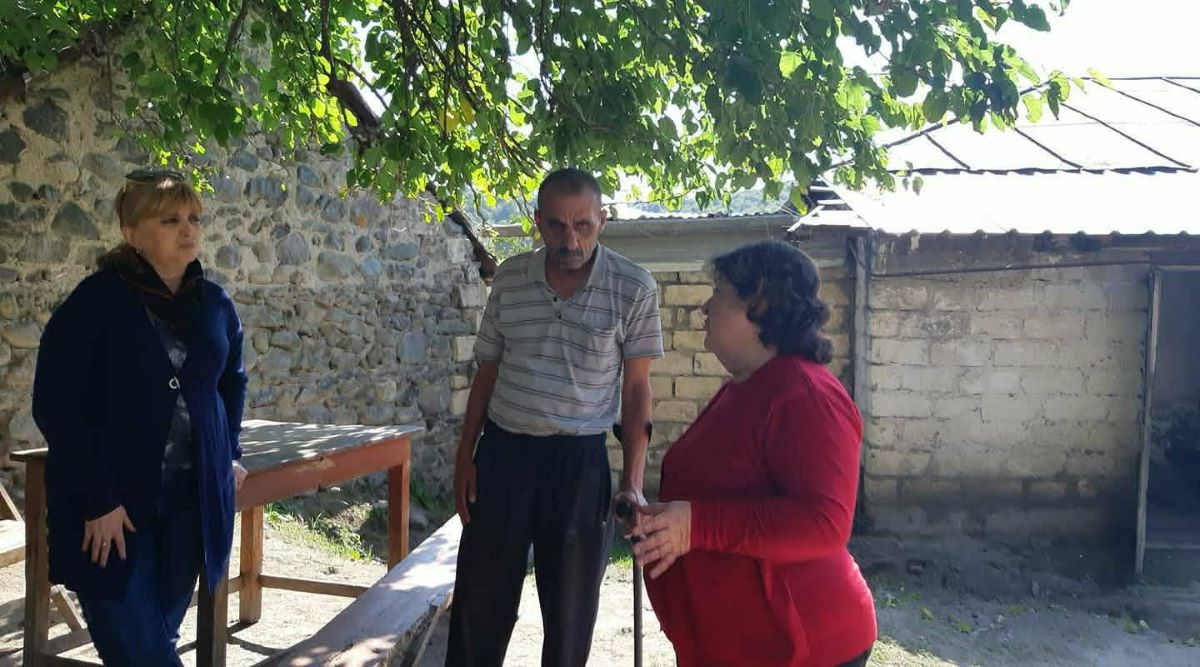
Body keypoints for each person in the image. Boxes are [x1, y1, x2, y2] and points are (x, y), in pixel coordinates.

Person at [446, 168, 663, 667]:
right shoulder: (510, 278)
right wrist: (465, 458)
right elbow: (486, 373)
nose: (571, 240)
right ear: (538, 222)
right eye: (557, 226)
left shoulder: (633, 287)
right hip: (503, 455)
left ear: (602, 220)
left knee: (570, 617)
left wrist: (632, 482)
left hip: (579, 463)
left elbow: (636, 390)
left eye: (583, 225)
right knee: (479, 605)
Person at [32, 168, 249, 665]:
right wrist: (99, 499)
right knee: (140, 649)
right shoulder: (95, 302)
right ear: (131, 232)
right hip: (114, 509)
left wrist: (229, 453)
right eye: (170, 220)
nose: (188, 229)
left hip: (190, 506)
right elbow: (56, 404)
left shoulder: (215, 305)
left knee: (156, 638)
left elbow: (231, 383)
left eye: (193, 218)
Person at [633, 240, 876, 667]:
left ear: (759, 304)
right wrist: (665, 521)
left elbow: (824, 522)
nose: (705, 307)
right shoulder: (749, 384)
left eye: (719, 293)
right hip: (745, 643)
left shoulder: (807, 395)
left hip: (803, 646)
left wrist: (696, 526)